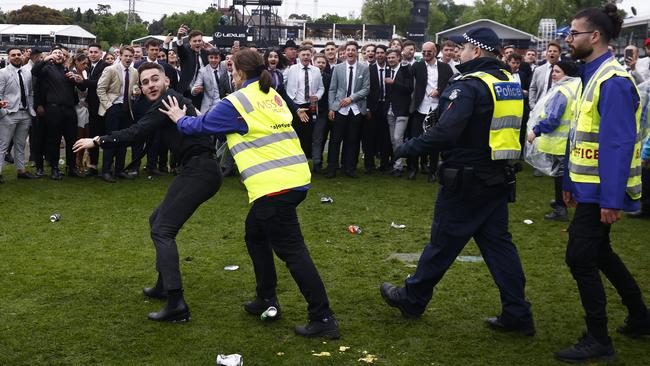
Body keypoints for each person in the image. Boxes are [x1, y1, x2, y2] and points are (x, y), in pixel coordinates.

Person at [159, 49, 340, 339]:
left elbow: (200, 127)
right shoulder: (272, 94)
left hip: (273, 187)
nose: (231, 75)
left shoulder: (238, 100)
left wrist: (180, 118)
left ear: (240, 73)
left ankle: (323, 317)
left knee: (293, 252)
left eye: (232, 71)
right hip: (294, 179)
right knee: (254, 234)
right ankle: (266, 298)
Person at [379, 27, 535, 338]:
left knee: (442, 243)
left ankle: (412, 298)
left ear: (476, 52)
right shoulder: (508, 82)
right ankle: (517, 313)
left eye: (461, 47)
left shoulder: (470, 85)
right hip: (496, 178)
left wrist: (405, 148)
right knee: (499, 248)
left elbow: (445, 132)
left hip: (466, 178)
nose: (458, 52)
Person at [73, 62, 222, 323]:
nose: (151, 84)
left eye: (155, 79)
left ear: (166, 81)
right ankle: (164, 285)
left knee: (162, 230)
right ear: (140, 88)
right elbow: (145, 132)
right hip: (195, 168)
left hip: (201, 169)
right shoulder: (170, 102)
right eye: (145, 82)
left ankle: (176, 303)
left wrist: (97, 140)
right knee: (157, 220)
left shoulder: (169, 100)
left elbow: (136, 132)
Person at [554, 4, 650, 363]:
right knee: (600, 254)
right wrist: (568, 181)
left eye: (573, 33)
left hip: (600, 193)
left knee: (580, 257)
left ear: (594, 37)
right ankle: (641, 318)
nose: (568, 39)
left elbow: (618, 143)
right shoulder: (591, 75)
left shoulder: (613, 80)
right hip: (588, 187)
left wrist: (611, 199)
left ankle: (598, 338)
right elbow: (580, 135)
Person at [527, 61, 580, 222]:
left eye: (557, 71)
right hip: (570, 141)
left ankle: (561, 207)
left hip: (559, 143)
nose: (553, 74)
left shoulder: (562, 91)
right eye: (553, 71)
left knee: (560, 177)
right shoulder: (576, 86)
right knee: (566, 176)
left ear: (567, 74)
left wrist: (536, 131)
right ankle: (562, 201)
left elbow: (552, 119)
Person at [31, 45, 85, 180]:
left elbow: (82, 87)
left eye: (61, 53)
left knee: (72, 140)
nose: (58, 55)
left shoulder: (67, 70)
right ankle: (55, 168)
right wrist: (47, 59)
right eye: (55, 53)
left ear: (65, 57)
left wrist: (78, 80)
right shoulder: (46, 69)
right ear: (50, 55)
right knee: (53, 140)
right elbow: (34, 71)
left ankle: (71, 167)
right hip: (53, 109)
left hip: (69, 110)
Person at [408, 41, 454, 182]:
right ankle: (413, 168)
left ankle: (432, 171)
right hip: (420, 108)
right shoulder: (417, 66)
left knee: (434, 141)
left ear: (435, 52)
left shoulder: (445, 68)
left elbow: (451, 85)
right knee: (416, 139)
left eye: (429, 52)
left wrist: (439, 91)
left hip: (437, 109)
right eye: (423, 52)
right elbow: (407, 80)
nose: (426, 54)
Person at [326, 40, 370, 178]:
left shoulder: (364, 68)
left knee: (353, 140)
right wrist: (332, 108)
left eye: (353, 50)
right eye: (348, 50)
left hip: (356, 109)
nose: (350, 52)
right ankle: (332, 168)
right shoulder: (338, 68)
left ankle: (349, 168)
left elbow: (366, 89)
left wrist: (351, 98)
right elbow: (332, 89)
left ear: (357, 53)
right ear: (344, 53)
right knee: (335, 140)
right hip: (340, 109)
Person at [96, 45, 139, 183]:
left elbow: (134, 88)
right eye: (125, 55)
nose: (128, 58)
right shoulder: (110, 69)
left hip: (128, 110)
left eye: (130, 56)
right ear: (120, 55)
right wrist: (109, 106)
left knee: (124, 141)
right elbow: (100, 89)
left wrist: (135, 93)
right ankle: (106, 171)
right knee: (111, 140)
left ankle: (119, 170)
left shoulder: (134, 72)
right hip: (113, 108)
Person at [0, 47, 38, 183]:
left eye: (18, 54)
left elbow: (31, 93)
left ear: (22, 56)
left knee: (20, 144)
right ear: (8, 57)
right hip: (9, 114)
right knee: (3, 146)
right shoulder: (2, 73)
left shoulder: (27, 72)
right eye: (13, 55)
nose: (16, 56)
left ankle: (21, 170)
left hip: (25, 113)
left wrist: (31, 109)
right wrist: (4, 112)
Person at [284, 46, 324, 158]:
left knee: (308, 135)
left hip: (310, 106)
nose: (306, 57)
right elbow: (282, 84)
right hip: (295, 105)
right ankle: (294, 159)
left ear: (311, 56)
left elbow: (321, 88)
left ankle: (305, 159)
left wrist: (318, 96)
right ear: (298, 56)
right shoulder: (291, 69)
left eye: (308, 55)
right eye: (303, 55)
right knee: (295, 135)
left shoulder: (316, 70)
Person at [529, 41, 561, 110]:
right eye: (550, 51)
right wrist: (532, 105)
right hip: (539, 106)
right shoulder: (538, 70)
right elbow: (533, 88)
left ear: (559, 54)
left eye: (555, 51)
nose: (552, 53)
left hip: (555, 108)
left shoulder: (564, 70)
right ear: (547, 53)